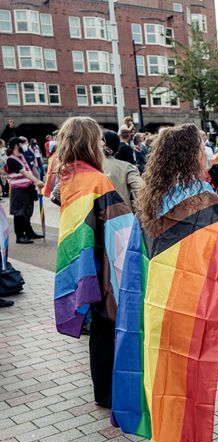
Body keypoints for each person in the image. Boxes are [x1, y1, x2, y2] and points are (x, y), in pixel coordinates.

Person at [112, 123, 218, 442]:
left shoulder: (153, 197)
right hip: (193, 304)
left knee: (169, 377)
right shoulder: (203, 199)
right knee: (194, 378)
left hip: (158, 301)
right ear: (191, 155)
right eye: (201, 147)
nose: (206, 153)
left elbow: (137, 257)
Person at [52, 116, 135, 409]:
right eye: (98, 139)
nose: (102, 144)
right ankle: (111, 393)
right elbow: (121, 224)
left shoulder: (68, 175)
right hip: (101, 262)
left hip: (82, 258)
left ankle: (102, 390)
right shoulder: (96, 180)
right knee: (108, 326)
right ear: (89, 142)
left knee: (99, 331)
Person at [4, 137, 44, 243]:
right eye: (22, 144)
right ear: (17, 145)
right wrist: (37, 181)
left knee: (27, 212)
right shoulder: (11, 159)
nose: (24, 145)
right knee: (19, 213)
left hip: (27, 189)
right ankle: (20, 236)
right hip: (19, 190)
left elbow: (29, 169)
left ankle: (29, 232)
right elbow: (24, 172)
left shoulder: (21, 156)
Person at [102, 130, 143, 212]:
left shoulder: (84, 168)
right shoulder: (127, 167)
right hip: (122, 217)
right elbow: (141, 190)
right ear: (117, 148)